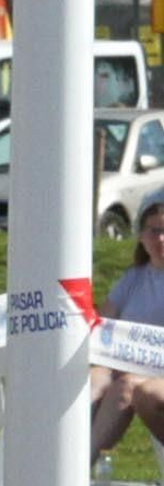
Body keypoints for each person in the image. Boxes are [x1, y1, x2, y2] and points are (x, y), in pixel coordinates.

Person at [90, 193, 164, 464]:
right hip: (126, 366)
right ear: (142, 237)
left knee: (127, 387)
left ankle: (79, 464)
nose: (161, 239)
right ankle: (54, 458)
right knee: (92, 381)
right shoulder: (133, 278)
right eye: (154, 231)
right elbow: (102, 326)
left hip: (154, 373)